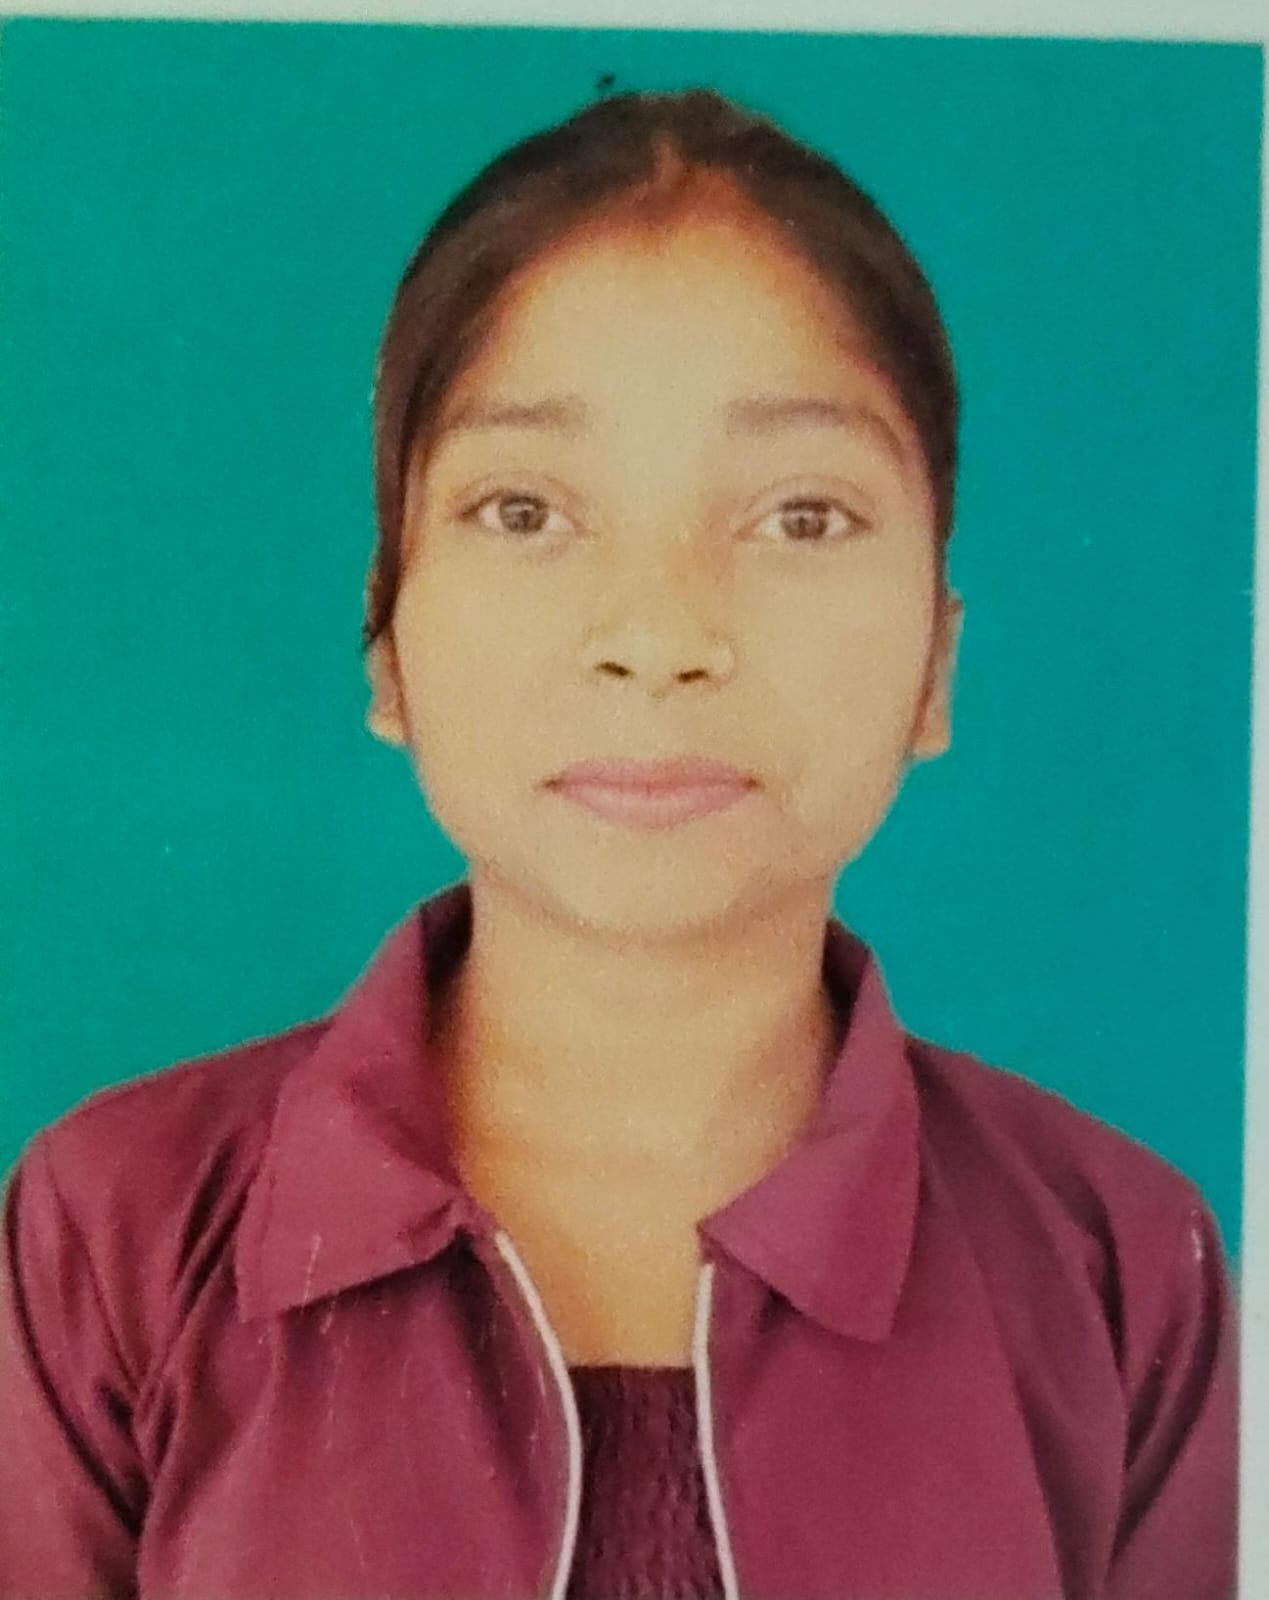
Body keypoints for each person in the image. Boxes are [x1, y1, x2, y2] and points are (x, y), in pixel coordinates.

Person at [0, 87, 1237, 1600]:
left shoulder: (1122, 1272)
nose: (657, 635)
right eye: (524, 510)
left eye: (800, 517)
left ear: (937, 664)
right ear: (385, 642)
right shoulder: (110, 1239)